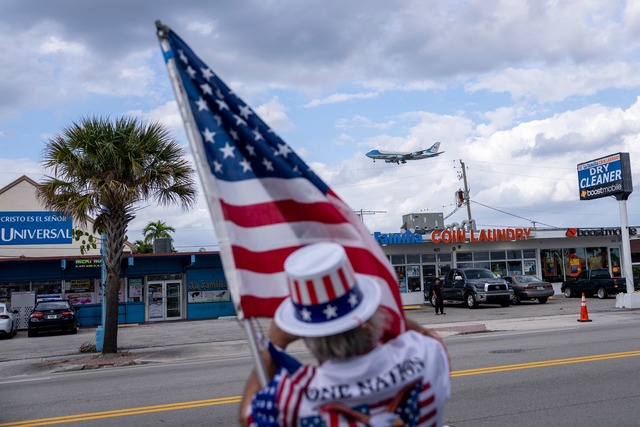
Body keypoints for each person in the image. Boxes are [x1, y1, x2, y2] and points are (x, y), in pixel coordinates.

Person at [239, 242, 450, 427]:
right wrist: (376, 314)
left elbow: (247, 414)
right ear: (368, 314)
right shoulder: (423, 355)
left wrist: (275, 342)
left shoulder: (292, 396)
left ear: (305, 334)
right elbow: (432, 340)